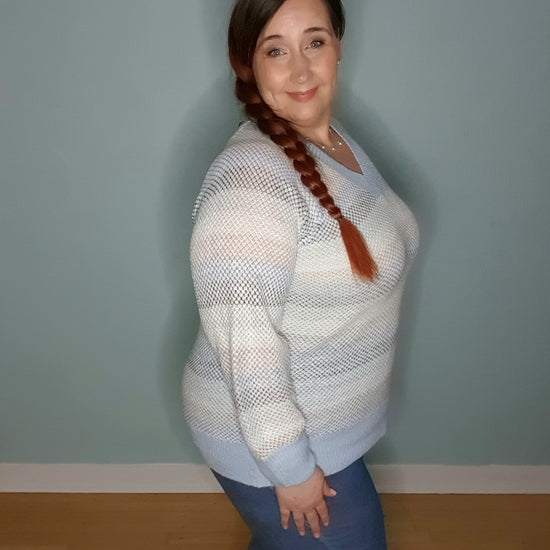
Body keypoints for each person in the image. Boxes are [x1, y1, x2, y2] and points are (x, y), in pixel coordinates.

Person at [182, 0, 419, 548]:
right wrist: (290, 470)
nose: (301, 69)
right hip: (274, 444)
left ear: (338, 46)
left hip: (320, 426)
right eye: (275, 51)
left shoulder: (332, 141)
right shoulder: (252, 182)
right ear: (248, 64)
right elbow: (246, 344)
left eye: (314, 41)